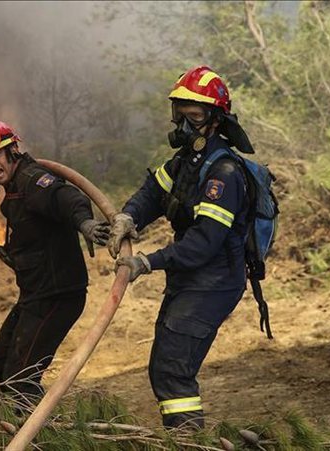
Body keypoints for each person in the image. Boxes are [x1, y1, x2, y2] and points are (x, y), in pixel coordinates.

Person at [108, 66, 254, 429]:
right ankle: (186, 439)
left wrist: (147, 261)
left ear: (216, 120)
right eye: (181, 113)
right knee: (164, 365)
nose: (186, 124)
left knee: (173, 370)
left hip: (215, 280)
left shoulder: (224, 173)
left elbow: (203, 243)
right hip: (189, 277)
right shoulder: (187, 161)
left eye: (196, 115)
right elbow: (152, 194)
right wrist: (129, 217)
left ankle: (189, 442)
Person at [0, 119, 110, 410]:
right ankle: (28, 420)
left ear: (12, 150)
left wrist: (86, 224)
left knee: (20, 378)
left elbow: (65, 198)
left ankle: (39, 433)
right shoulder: (11, 180)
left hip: (58, 296)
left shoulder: (33, 181)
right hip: (34, 295)